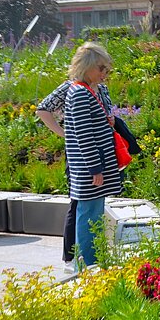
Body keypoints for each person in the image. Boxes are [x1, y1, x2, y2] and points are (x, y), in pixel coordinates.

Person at [37, 71, 116, 269]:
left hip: (98, 152)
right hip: (81, 153)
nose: (106, 73)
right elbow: (43, 109)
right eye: (102, 68)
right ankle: (72, 257)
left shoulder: (101, 88)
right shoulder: (73, 88)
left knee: (86, 204)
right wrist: (65, 134)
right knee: (79, 203)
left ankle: (84, 257)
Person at [63, 42, 123, 269]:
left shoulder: (87, 90)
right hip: (90, 170)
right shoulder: (79, 93)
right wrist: (95, 169)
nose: (104, 73)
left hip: (94, 168)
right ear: (87, 66)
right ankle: (87, 265)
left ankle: (92, 262)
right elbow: (83, 135)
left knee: (94, 215)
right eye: (101, 68)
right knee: (88, 216)